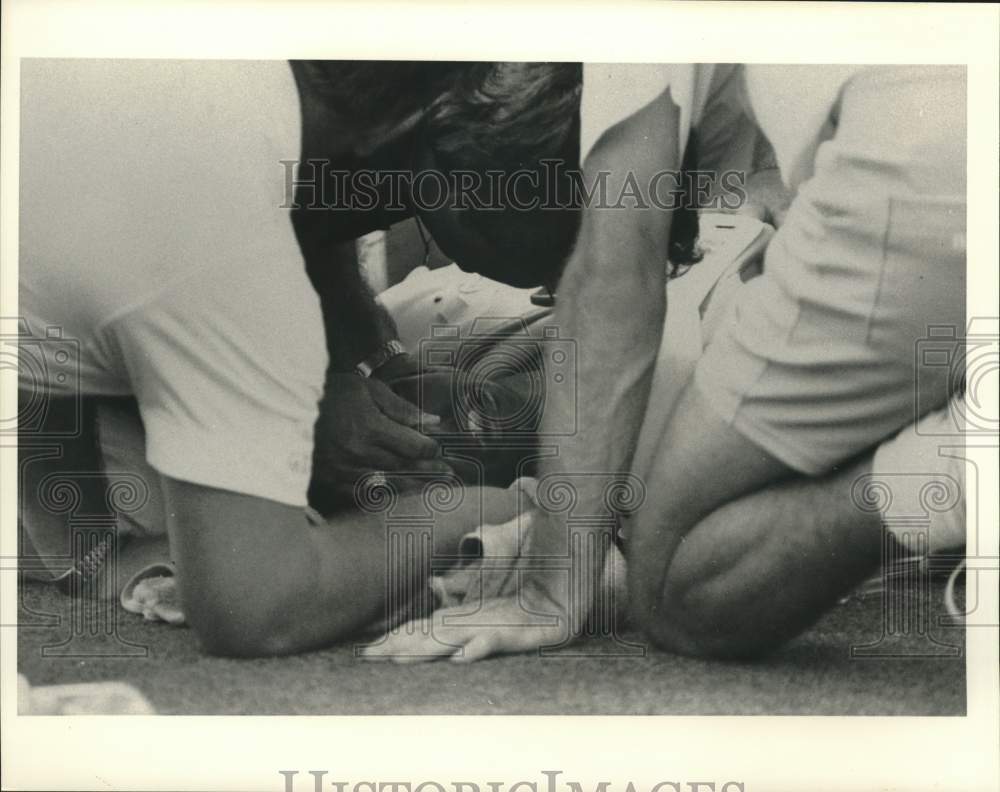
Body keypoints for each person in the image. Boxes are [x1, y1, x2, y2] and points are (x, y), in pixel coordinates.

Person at [376, 64, 968, 661]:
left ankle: (963, 467)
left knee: (673, 588)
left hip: (929, 174)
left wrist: (551, 589)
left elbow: (616, 280)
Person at [17, 58, 580, 656]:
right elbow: (255, 612)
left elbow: (49, 325)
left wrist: (367, 357)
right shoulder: (223, 226)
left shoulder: (282, 115)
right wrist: (494, 508)